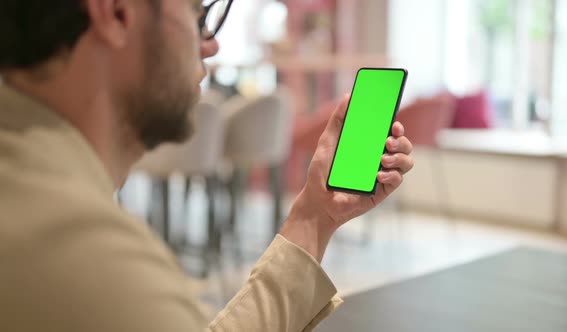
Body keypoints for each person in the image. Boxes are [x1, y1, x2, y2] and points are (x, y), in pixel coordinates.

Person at [0, 1, 414, 331]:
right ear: (116, 12)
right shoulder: (88, 258)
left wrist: (315, 217)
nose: (211, 45)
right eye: (198, 13)